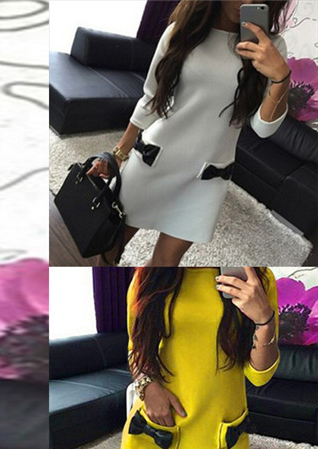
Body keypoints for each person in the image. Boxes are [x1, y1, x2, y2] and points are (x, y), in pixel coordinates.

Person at [88, 0, 291, 267]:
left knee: (165, 264)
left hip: (206, 178)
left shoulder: (271, 48)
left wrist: (281, 80)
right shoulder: (181, 31)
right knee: (111, 245)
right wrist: (118, 154)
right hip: (154, 161)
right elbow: (151, 99)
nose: (247, 2)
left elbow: (263, 129)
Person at [112, 267, 279, 449]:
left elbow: (260, 375)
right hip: (160, 426)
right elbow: (136, 347)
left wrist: (264, 320)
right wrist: (147, 387)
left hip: (217, 435)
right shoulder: (149, 274)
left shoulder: (257, 278)